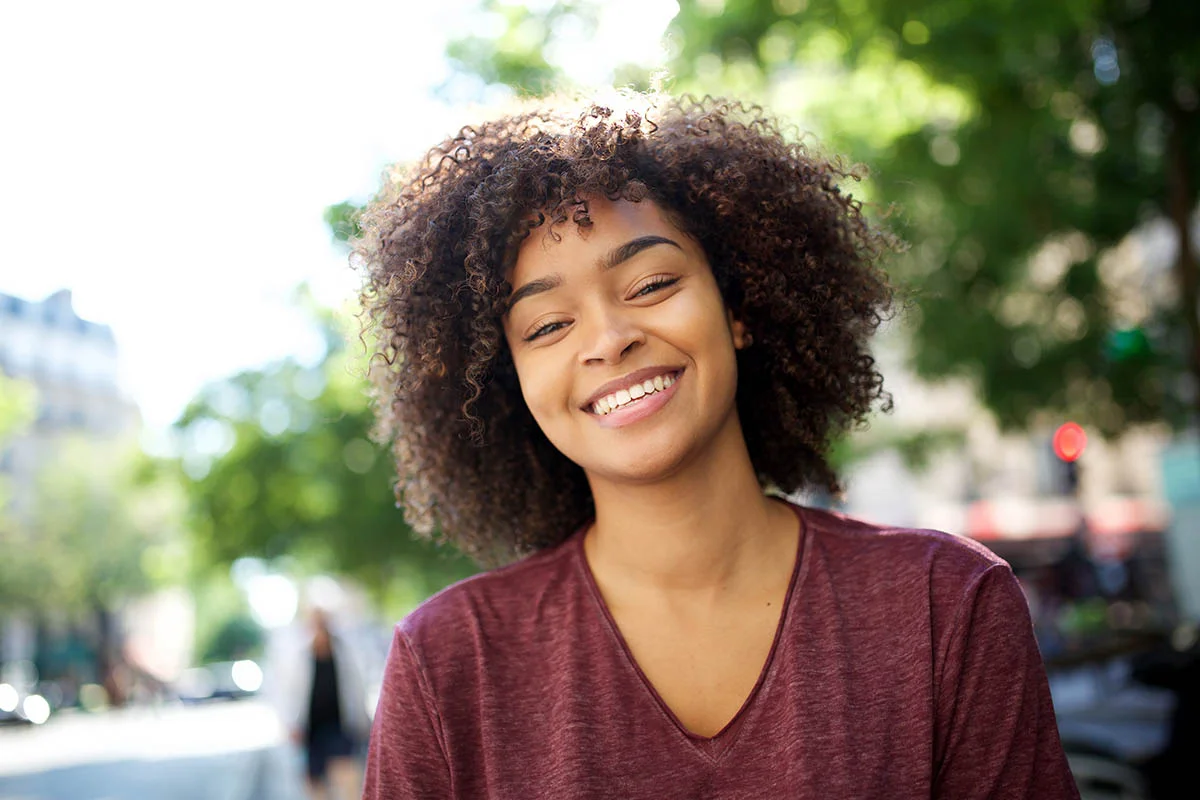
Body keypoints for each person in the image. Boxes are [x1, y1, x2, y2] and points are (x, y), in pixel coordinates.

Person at [351, 93, 1080, 798]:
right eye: (547, 326)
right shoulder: (448, 664)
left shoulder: (943, 603)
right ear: (510, 380)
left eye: (651, 284)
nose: (609, 339)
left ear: (738, 308)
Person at [269, 607, 371, 800]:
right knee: (315, 784)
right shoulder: (299, 656)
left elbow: (356, 690)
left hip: (339, 725)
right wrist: (290, 724)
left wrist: (363, 722)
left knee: (346, 777)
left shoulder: (344, 654)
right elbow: (287, 692)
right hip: (311, 729)